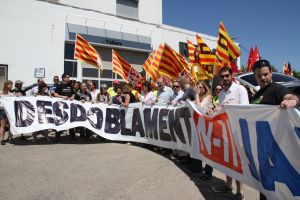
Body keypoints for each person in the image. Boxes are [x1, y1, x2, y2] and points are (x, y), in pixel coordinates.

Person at [251, 59, 299, 200]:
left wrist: (293, 101)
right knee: (265, 189)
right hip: (262, 150)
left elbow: (289, 96)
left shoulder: (276, 89)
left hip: (277, 151)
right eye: (259, 75)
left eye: (265, 74)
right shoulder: (256, 95)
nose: (263, 78)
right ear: (255, 76)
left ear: (271, 73)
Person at [217, 66, 249, 200]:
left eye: (227, 76)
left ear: (232, 75)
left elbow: (245, 110)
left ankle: (240, 191)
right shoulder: (222, 93)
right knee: (227, 160)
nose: (224, 79)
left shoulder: (240, 89)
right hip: (225, 131)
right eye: (222, 76)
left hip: (237, 132)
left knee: (237, 162)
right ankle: (228, 185)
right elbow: (219, 110)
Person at [54, 73, 76, 142]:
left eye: (69, 77)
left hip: (69, 106)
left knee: (71, 121)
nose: (69, 78)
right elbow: (55, 94)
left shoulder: (70, 85)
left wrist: (72, 97)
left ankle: (72, 137)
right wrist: (63, 97)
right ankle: (57, 137)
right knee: (62, 121)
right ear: (64, 78)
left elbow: (73, 93)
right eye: (67, 77)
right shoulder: (59, 85)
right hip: (61, 107)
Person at [0, 80, 15, 145]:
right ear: (6, 85)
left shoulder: (13, 93)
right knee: (3, 125)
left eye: (12, 84)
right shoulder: (1, 92)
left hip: (11, 111)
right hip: (3, 111)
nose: (11, 86)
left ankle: (10, 138)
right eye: (10, 84)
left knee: (10, 126)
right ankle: (2, 139)